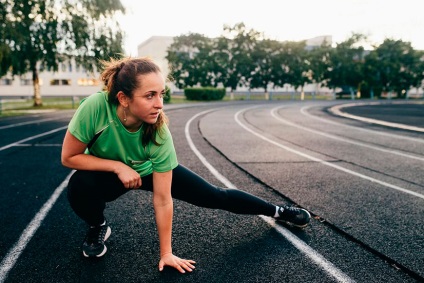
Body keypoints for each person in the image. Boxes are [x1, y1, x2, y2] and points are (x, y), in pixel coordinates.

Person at [61, 56, 311, 274]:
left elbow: (162, 199)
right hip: (110, 174)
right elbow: (69, 157)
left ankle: (278, 211)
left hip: (148, 171)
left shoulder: (158, 131)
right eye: (150, 96)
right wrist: (117, 166)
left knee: (215, 196)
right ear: (123, 98)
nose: (159, 104)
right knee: (81, 184)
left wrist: (166, 253)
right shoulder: (95, 108)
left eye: (161, 94)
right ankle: (98, 226)